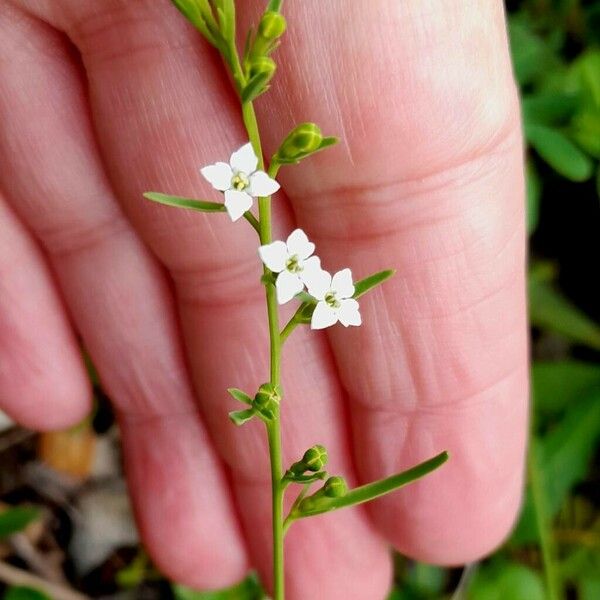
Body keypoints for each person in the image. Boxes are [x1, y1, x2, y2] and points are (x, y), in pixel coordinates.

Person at [0, 1, 528, 598]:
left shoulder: (276, 224)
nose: (246, 183)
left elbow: (282, 238)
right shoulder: (258, 206)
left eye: (248, 180)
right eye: (241, 182)